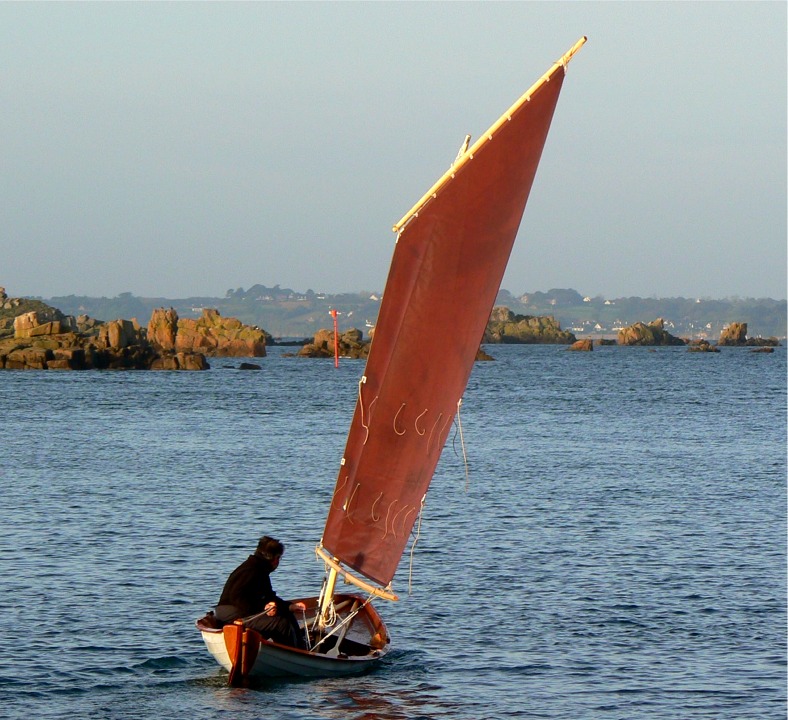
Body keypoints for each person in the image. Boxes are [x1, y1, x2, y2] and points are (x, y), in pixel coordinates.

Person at [214, 535, 306, 649]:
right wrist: (262, 608)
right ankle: (295, 655)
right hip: (231, 614)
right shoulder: (251, 570)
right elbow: (236, 596)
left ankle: (302, 648)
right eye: (278, 558)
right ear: (274, 558)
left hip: (238, 611)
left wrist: (289, 607)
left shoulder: (258, 568)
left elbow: (269, 597)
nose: (278, 562)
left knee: (286, 615)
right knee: (282, 624)